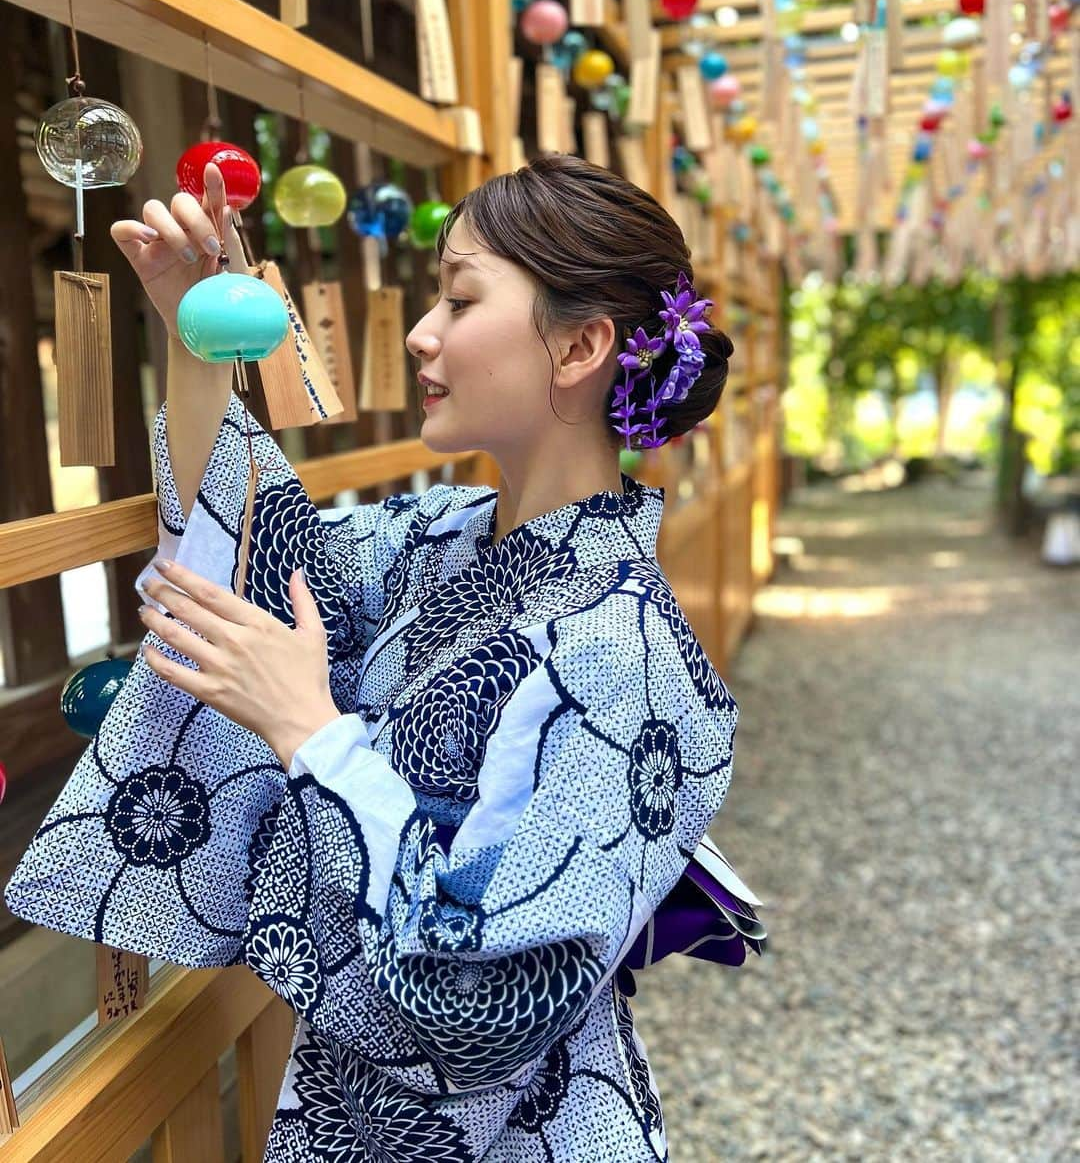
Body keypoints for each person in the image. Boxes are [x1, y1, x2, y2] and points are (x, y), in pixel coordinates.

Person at [6, 153, 762, 1161]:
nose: (422, 332)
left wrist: (311, 735)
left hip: (514, 1131)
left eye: (459, 298)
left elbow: (484, 1013)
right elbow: (272, 564)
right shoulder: (444, 535)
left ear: (580, 346)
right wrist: (195, 340)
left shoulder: (620, 651)